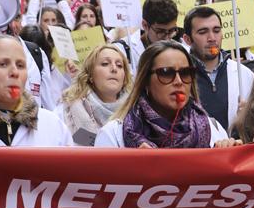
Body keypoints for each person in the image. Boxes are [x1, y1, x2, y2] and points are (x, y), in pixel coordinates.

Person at [94, 40, 240, 148]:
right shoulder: (113, 135)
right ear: (145, 81)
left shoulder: (212, 129)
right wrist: (134, 168)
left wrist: (229, 154)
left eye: (185, 73)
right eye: (166, 73)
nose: (178, 81)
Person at [182, 6, 253, 130]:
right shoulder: (179, 75)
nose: (212, 38)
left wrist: (249, 117)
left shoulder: (244, 74)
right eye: (203, 32)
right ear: (187, 39)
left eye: (216, 30)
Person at [56, 44, 131, 146]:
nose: (114, 68)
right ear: (90, 75)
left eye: (119, 65)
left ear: (125, 78)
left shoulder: (137, 112)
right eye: (105, 64)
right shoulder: (64, 112)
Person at [113, 0, 179, 76]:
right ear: (145, 25)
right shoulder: (121, 50)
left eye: (171, 30)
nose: (167, 38)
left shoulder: (179, 51)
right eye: (160, 31)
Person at [19, 24, 72, 110]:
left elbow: (49, 98)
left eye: (36, 50)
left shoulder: (51, 66)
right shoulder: (15, 66)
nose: (33, 56)